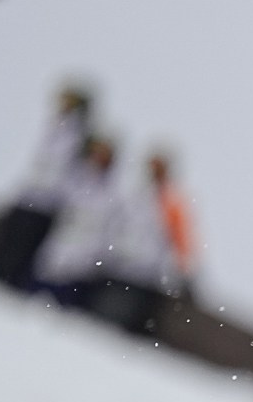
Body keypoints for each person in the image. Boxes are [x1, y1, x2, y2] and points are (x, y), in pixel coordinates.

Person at [34, 135, 176, 334]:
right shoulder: (85, 183)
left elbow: (173, 243)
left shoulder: (167, 203)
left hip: (131, 274)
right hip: (75, 258)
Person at [0, 80, 95, 292]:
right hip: (29, 196)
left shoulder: (79, 135)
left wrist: (56, 194)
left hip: (47, 204)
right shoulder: (55, 125)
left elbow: (69, 173)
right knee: (6, 244)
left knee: (21, 251)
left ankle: (8, 283)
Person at [146, 148, 197, 298]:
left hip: (164, 270)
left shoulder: (172, 200)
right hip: (140, 268)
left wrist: (183, 266)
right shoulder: (139, 196)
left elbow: (182, 238)